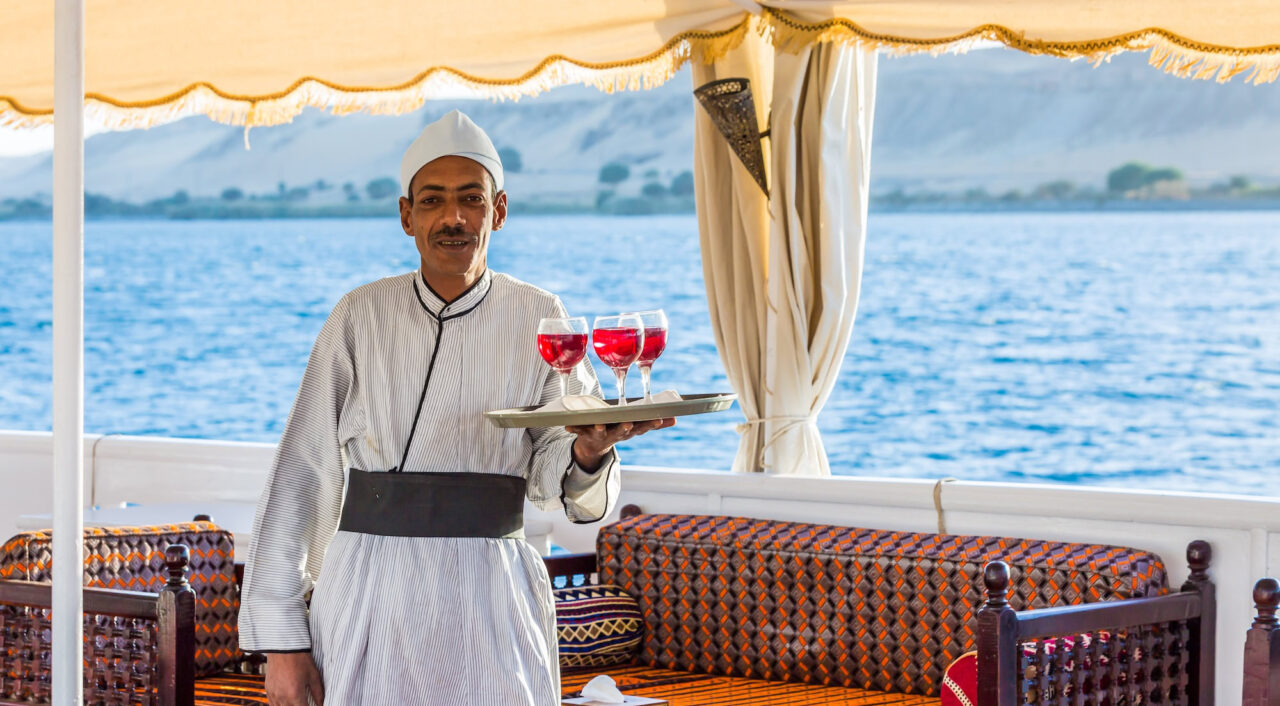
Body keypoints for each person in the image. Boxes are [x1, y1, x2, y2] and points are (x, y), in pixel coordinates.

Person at [238, 109, 673, 705]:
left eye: (471, 199)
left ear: (498, 210)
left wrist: (590, 449)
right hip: (371, 597)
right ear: (406, 215)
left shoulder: (543, 316)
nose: (453, 217)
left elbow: (555, 474)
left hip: (493, 601)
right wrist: (284, 645)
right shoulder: (358, 316)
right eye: (434, 200)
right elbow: (301, 475)